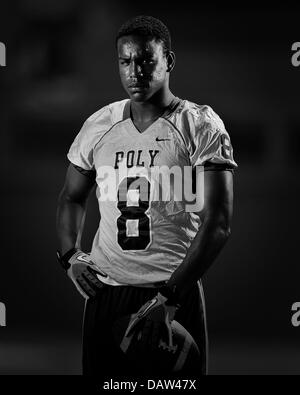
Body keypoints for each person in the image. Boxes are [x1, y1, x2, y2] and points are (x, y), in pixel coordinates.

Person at [56, 15, 237, 377]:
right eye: (125, 62)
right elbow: (71, 197)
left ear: (168, 60)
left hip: (172, 290)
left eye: (145, 60)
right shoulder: (99, 125)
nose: (134, 71)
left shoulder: (198, 125)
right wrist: (70, 255)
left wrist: (171, 296)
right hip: (106, 290)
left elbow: (217, 222)